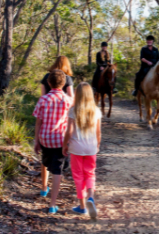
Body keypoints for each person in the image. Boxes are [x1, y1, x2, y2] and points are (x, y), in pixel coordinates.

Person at [33, 69, 73, 214]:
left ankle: (44, 188)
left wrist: (36, 140)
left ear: (49, 83)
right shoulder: (69, 100)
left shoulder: (43, 100)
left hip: (45, 139)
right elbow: (71, 123)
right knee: (57, 170)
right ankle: (52, 204)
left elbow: (38, 122)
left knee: (45, 161)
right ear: (63, 84)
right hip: (61, 140)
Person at [63, 83, 102, 219]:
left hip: (76, 148)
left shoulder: (73, 111)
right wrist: (97, 145)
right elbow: (98, 132)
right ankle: (90, 197)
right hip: (91, 147)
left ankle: (82, 206)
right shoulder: (96, 111)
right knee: (90, 173)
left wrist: (64, 145)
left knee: (78, 176)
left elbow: (69, 131)